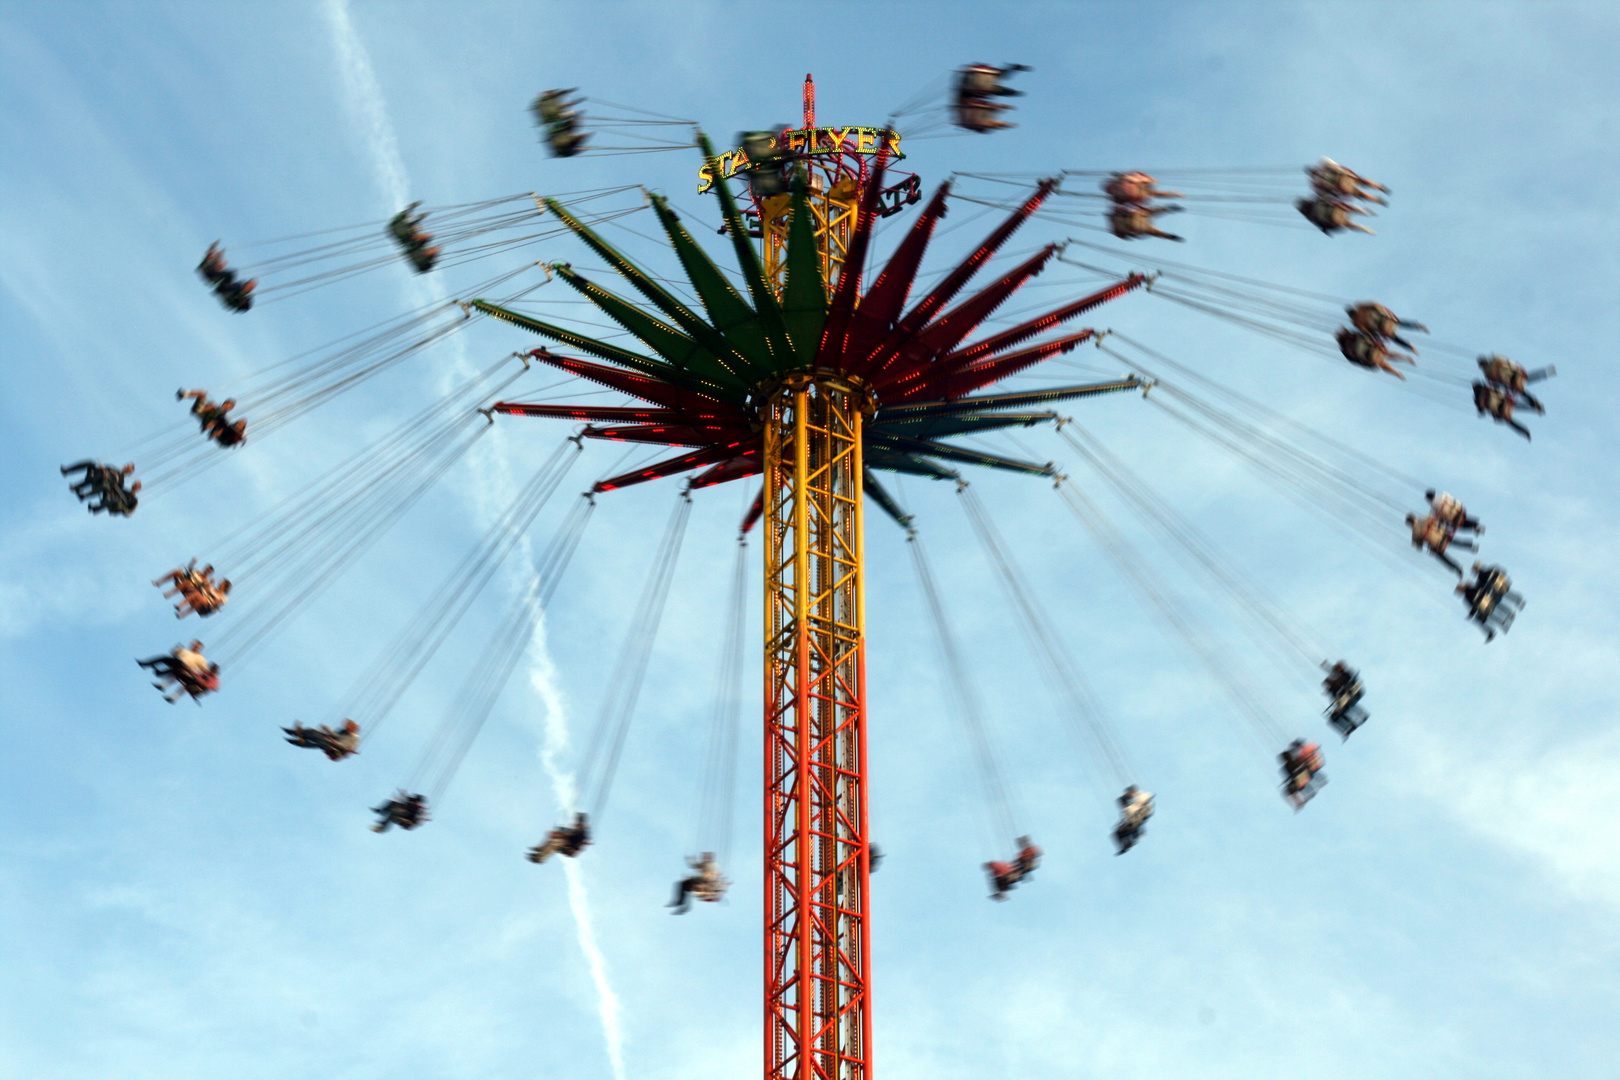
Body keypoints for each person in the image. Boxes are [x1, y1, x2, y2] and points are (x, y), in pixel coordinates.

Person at [1457, 562, 1524, 642]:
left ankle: (1502, 622)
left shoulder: (1474, 588)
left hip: (1488, 600)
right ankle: (1506, 617)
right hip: (1491, 596)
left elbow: (1478, 595)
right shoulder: (1488, 572)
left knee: (1492, 608)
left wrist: (1472, 613)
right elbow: (1501, 573)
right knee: (1493, 607)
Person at [1478, 354, 1551, 414]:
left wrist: (1502, 391)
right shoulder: (1495, 360)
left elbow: (1496, 384)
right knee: (1529, 379)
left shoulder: (1487, 374)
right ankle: (1547, 372)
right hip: (1514, 375)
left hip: (1510, 382)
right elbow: (1508, 362)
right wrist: (1518, 368)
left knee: (1522, 393)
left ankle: (1535, 404)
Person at [1405, 512, 1472, 575]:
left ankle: (1457, 568)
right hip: (1442, 536)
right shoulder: (1426, 518)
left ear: (1409, 525)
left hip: (1437, 545)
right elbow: (1436, 521)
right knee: (1453, 541)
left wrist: (1416, 543)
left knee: (1442, 557)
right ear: (1414, 518)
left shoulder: (1414, 534)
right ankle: (1469, 545)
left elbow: (1419, 547)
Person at [1347, 302, 1427, 352]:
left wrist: (1375, 337)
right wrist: (1387, 313)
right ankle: (1418, 326)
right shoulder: (1362, 308)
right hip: (1384, 319)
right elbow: (1376, 305)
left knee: (1394, 338)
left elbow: (1367, 332)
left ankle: (1410, 347)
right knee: (1399, 322)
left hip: (1381, 327)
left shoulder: (1356, 322)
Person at [1337, 327, 1413, 379]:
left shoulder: (1344, 349)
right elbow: (1367, 336)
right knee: (1388, 354)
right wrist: (1378, 344)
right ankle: (1405, 358)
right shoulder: (1353, 336)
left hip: (1368, 356)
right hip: (1373, 348)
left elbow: (1353, 360)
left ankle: (1396, 373)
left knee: (1382, 364)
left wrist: (1365, 364)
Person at [1306, 158, 1389, 204]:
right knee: (1363, 182)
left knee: (1361, 194)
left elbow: (1324, 194)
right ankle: (1380, 187)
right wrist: (1347, 171)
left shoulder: (1316, 184)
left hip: (1341, 187)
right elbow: (1336, 166)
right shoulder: (1324, 166)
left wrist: (1337, 196)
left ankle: (1378, 200)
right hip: (1345, 178)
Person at [1321, 661, 1368, 739]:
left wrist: (1327, 666)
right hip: (1346, 699)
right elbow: (1335, 698)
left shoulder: (1345, 674)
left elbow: (1340, 676)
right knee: (1334, 717)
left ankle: (1362, 716)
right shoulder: (1334, 689)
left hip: (1354, 692)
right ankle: (1349, 726)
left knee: (1347, 702)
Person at [526, 811, 591, 863]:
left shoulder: (581, 831)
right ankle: (541, 849)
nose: (576, 822)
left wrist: (562, 834)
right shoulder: (577, 829)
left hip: (571, 849)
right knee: (553, 839)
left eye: (578, 820)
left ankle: (540, 858)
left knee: (556, 843)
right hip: (567, 844)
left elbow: (572, 837)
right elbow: (567, 833)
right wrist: (559, 831)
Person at [1279, 738, 1325, 810]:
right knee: (1294, 785)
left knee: (1290, 789)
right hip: (1310, 770)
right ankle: (1302, 798)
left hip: (1305, 774)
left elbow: (1293, 772)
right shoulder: (1299, 756)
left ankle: (1300, 801)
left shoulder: (1292, 762)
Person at [1297, 196, 1376, 235]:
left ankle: (1366, 229)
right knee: (1351, 207)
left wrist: (1326, 230)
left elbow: (1320, 224)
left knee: (1350, 225)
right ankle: (1365, 212)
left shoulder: (1311, 216)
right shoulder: (1317, 201)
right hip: (1337, 212)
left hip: (1334, 219)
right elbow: (1330, 201)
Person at [1109, 203, 1184, 241]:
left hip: (1136, 227)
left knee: (1153, 231)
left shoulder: (1115, 228)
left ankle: (1170, 236)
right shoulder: (1117, 214)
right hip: (1137, 219)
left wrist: (1133, 235)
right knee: (1152, 212)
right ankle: (1168, 208)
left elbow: (1124, 236)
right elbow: (1127, 209)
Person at [1114, 786, 1155, 854]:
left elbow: (1146, 800)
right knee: (1118, 833)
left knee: (1120, 832)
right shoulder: (1130, 806)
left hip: (1138, 816)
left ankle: (1134, 835)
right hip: (1136, 818)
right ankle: (1129, 841)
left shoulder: (1140, 797)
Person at [1104, 172, 1182, 205]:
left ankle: (1173, 194)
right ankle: (1173, 194)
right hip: (1137, 189)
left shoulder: (1113, 194)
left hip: (1135, 194)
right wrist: (1150, 180)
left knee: (1154, 193)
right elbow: (1134, 179)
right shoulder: (1120, 180)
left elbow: (1120, 202)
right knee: (1154, 193)